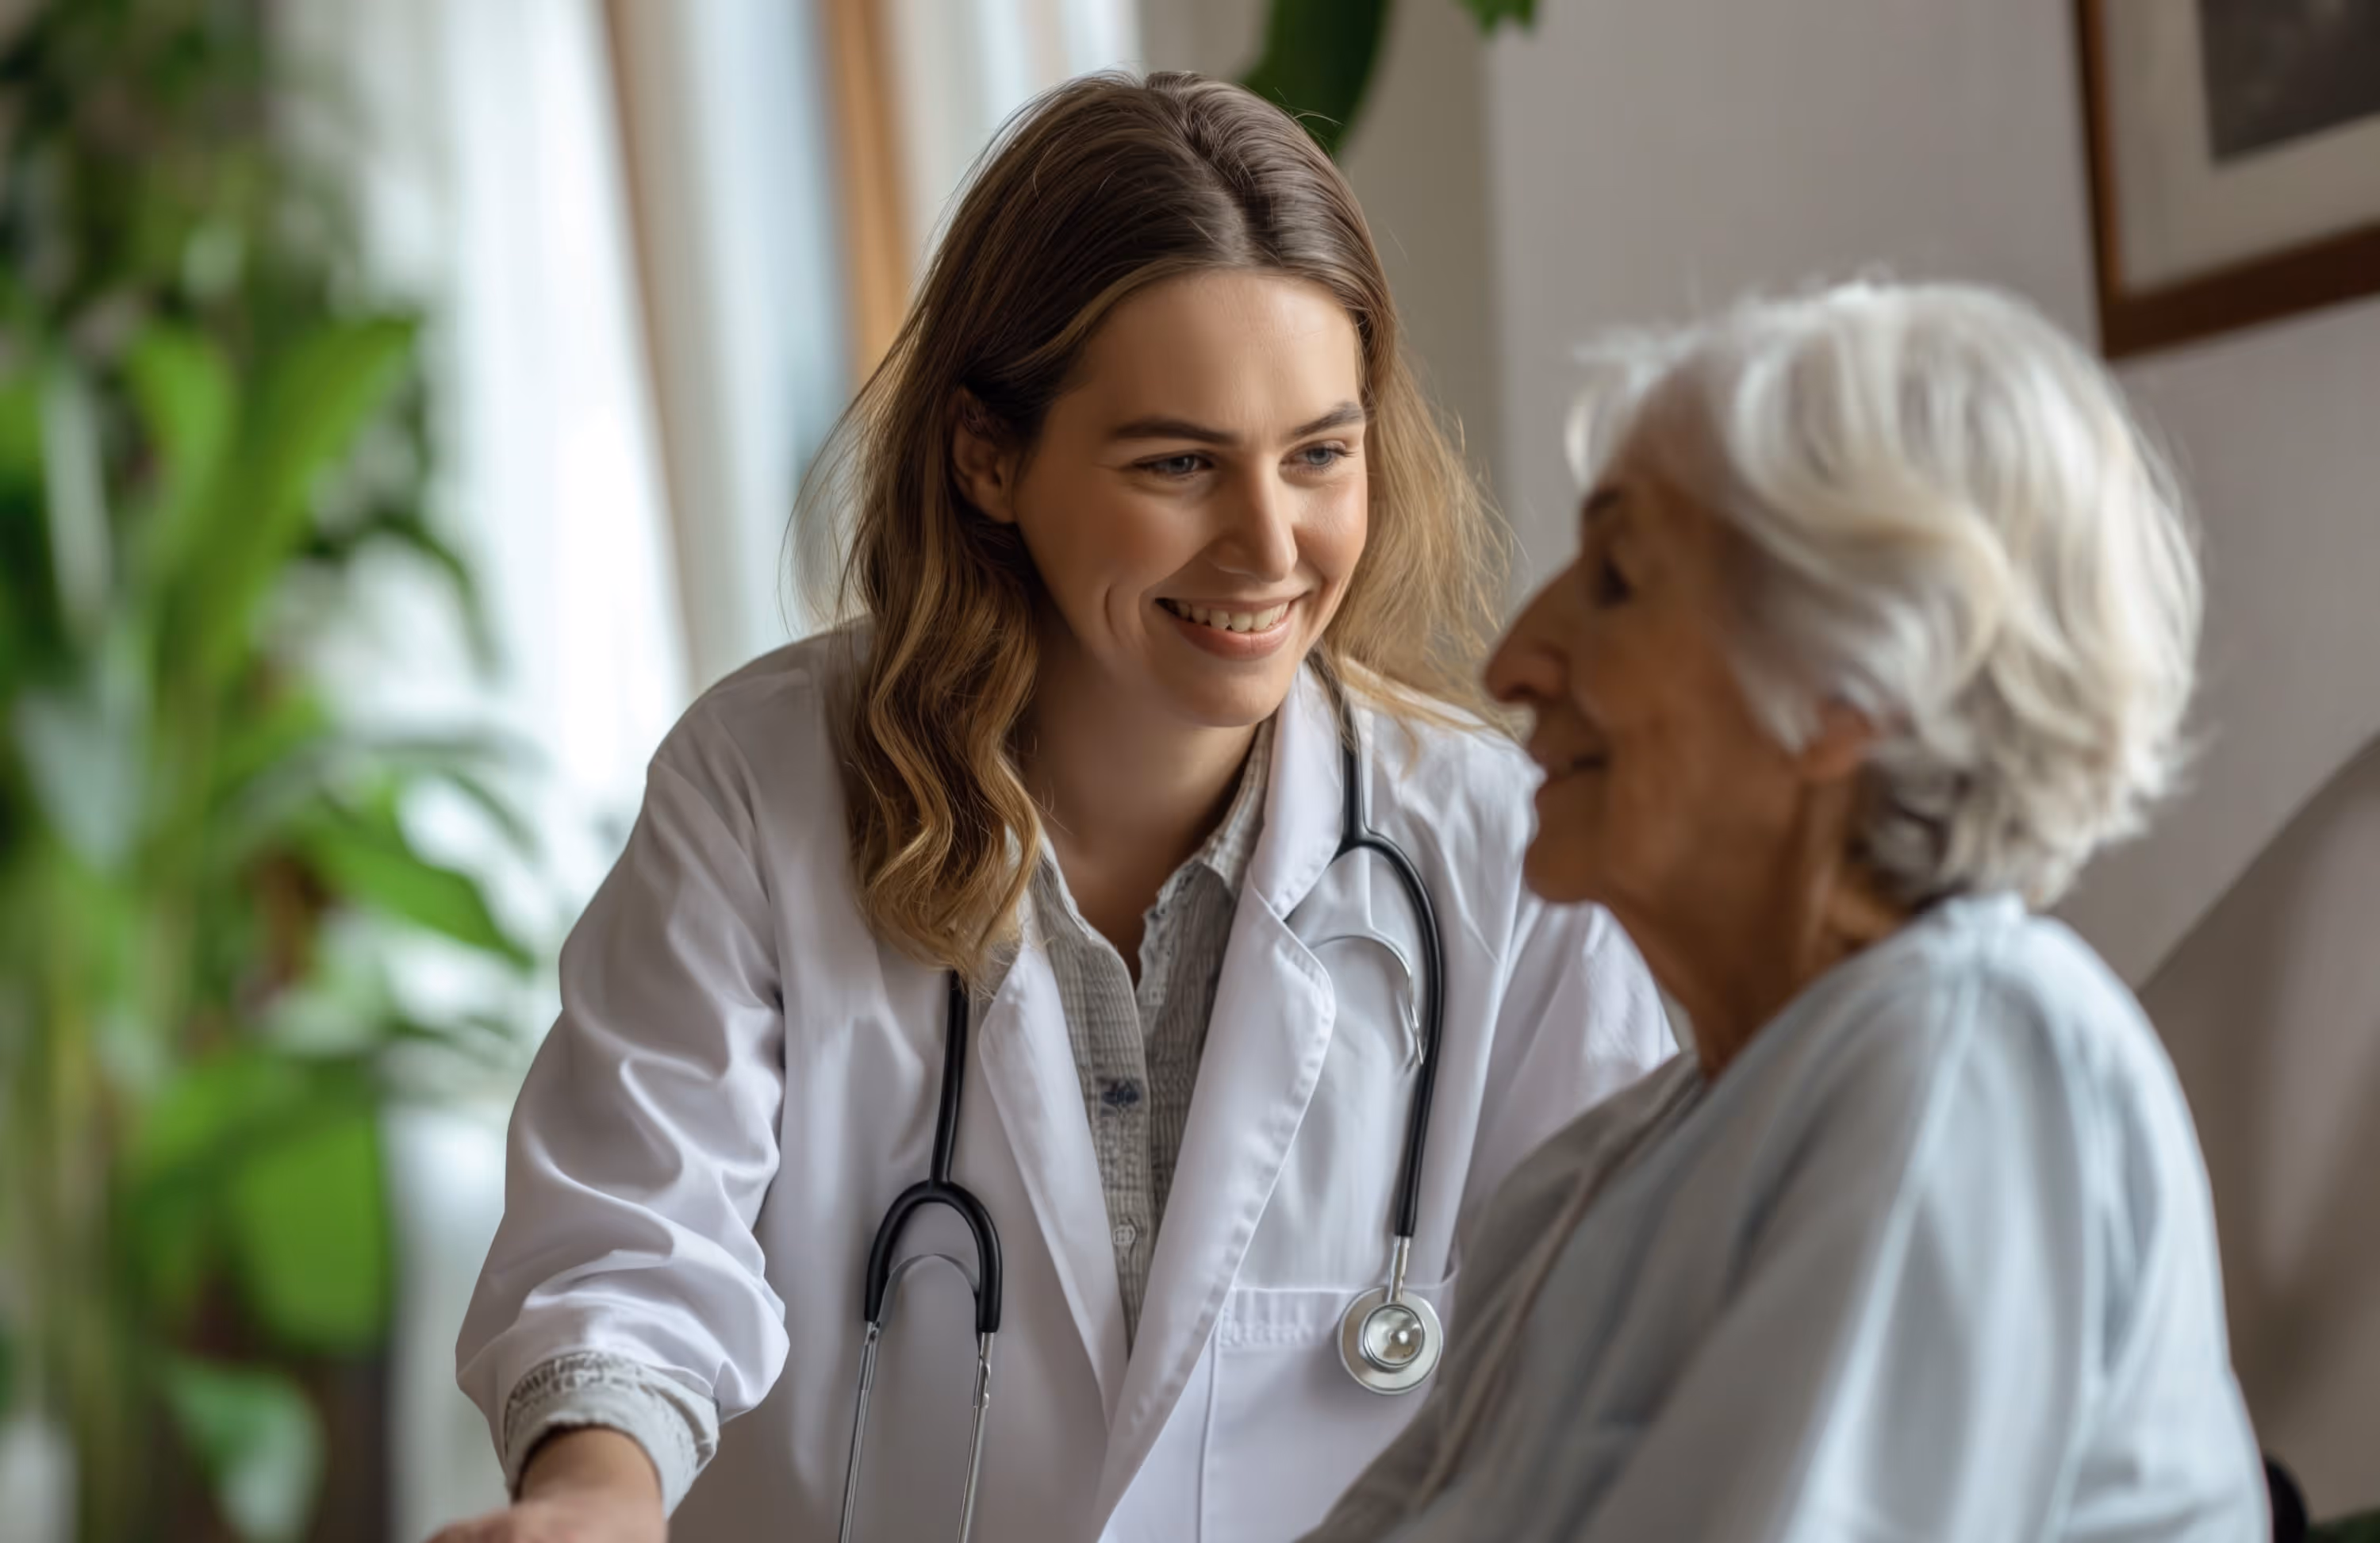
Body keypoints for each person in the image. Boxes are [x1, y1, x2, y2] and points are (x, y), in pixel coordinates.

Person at [436, 72, 1672, 1543]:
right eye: (1180, 464)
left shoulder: (1498, 850)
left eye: (1320, 454)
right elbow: (637, 1237)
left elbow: (1622, 1334)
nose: (1271, 546)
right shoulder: (761, 792)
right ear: (989, 457)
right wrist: (593, 1493)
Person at [1300, 279, 2268, 1541]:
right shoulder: (1604, 1173)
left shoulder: (1969, 1052)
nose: (1514, 661)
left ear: (1849, 690)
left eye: (1617, 582)